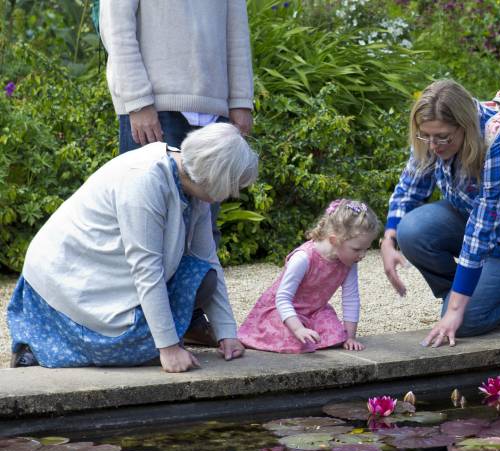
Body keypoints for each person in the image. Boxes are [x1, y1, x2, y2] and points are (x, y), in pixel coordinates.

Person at [7, 123, 259, 373]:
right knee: (146, 352)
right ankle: (36, 348)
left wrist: (226, 333)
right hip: (68, 280)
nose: (232, 194)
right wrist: (168, 348)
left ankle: (156, 339)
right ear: (216, 178)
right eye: (233, 187)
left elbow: (207, 258)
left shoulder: (194, 183)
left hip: (109, 275)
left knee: (205, 278)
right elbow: (147, 270)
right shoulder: (144, 180)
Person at [380, 79, 500, 348]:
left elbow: (481, 231)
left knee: (465, 322)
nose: (432, 145)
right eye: (425, 136)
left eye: (442, 137)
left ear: (464, 126)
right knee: (411, 230)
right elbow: (410, 187)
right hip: (473, 219)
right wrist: (388, 239)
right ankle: (462, 295)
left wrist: (457, 311)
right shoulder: (434, 133)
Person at [99, 0, 254, 153]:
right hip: (154, 111)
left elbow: (237, 29)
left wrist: (240, 101)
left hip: (218, 116)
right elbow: (116, 27)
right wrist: (137, 101)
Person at [238, 199, 381, 353]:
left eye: (366, 249)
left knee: (338, 335)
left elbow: (351, 298)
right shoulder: (303, 258)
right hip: (283, 312)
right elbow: (282, 299)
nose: (363, 255)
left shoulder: (349, 262)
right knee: (297, 341)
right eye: (357, 249)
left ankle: (309, 331)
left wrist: (351, 337)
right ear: (334, 240)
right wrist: (298, 329)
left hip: (315, 311)